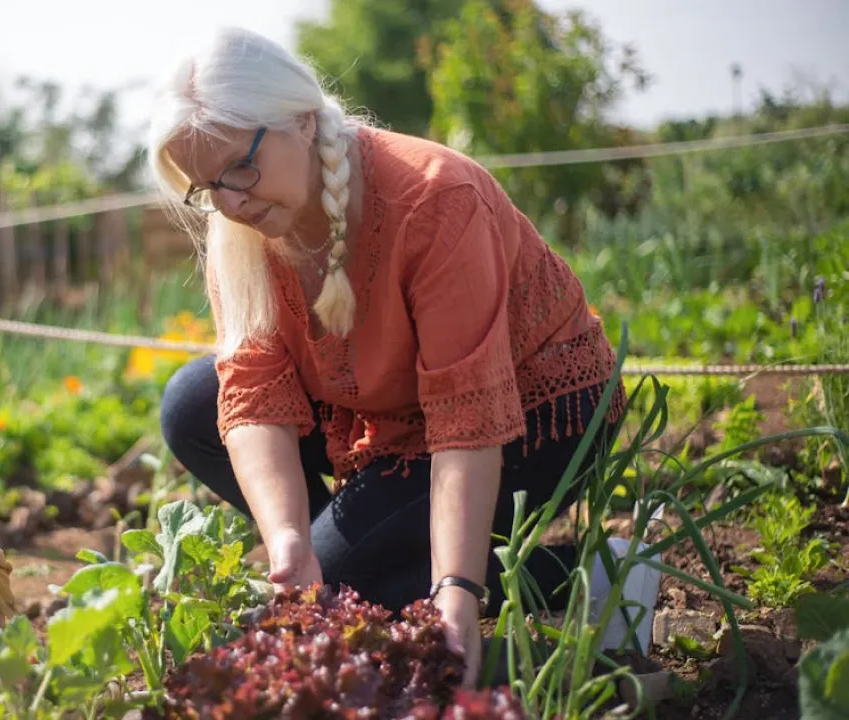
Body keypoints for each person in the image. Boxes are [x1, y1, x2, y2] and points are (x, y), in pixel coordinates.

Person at [147, 26, 632, 687]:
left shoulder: (435, 198)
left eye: (238, 167)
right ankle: (360, 560)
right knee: (191, 405)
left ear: (299, 120)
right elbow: (254, 392)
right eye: (206, 187)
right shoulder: (245, 226)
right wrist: (288, 539)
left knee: (345, 584)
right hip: (394, 414)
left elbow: (468, 419)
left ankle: (597, 572)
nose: (229, 203)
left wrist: (456, 588)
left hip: (535, 414)